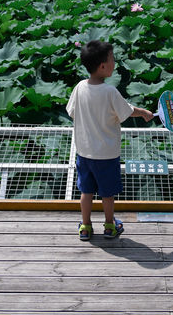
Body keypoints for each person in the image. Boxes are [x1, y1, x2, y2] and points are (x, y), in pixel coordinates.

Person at [66, 38, 153, 240]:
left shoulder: (79, 87)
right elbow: (127, 111)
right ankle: (109, 226)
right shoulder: (110, 91)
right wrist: (144, 113)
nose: (115, 62)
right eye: (113, 59)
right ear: (103, 66)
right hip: (106, 154)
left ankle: (85, 227)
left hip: (84, 152)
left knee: (86, 192)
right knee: (107, 194)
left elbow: (71, 112)